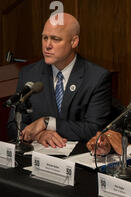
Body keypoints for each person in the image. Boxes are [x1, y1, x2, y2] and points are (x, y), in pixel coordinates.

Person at [7, 13, 111, 148]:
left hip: (77, 159)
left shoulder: (96, 77)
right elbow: (14, 124)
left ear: (74, 42)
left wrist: (48, 122)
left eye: (55, 39)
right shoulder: (29, 73)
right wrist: (39, 135)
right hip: (37, 157)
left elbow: (95, 129)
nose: (47, 45)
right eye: (45, 38)